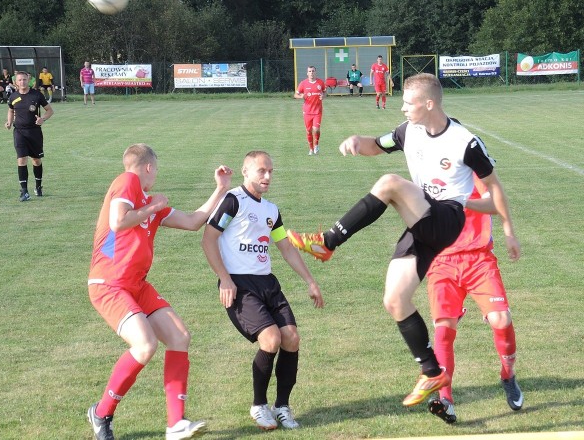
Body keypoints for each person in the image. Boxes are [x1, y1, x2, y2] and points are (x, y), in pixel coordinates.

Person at [287, 73, 520, 408]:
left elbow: (495, 188)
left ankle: (328, 242)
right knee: (395, 299)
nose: (403, 107)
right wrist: (357, 140)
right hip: (423, 223)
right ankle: (431, 370)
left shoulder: (465, 142)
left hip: (446, 219)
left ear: (429, 104)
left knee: (390, 183)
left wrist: (509, 230)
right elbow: (376, 145)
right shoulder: (407, 130)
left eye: (409, 102)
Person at [87, 143, 233, 440]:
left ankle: (176, 424)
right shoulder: (127, 181)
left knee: (179, 336)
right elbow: (118, 222)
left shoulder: (148, 201)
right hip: (109, 284)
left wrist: (220, 189)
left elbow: (193, 221)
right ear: (149, 167)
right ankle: (101, 413)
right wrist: (152, 207)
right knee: (145, 345)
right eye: (156, 170)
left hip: (136, 284)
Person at [201, 150, 324, 431]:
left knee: (291, 337)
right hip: (240, 286)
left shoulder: (271, 210)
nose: (267, 176)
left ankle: (282, 406)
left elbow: (285, 248)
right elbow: (209, 240)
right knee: (270, 339)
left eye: (270, 171)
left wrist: (310, 281)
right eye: (261, 171)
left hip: (267, 282)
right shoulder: (233, 200)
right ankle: (259, 406)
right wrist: (225, 279)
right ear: (246, 172)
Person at [426, 174, 522, 424]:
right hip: (441, 261)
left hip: (479, 258)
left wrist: (463, 201)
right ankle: (445, 400)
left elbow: (494, 199)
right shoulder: (425, 169)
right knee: (443, 329)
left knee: (501, 320)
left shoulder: (471, 167)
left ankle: (508, 375)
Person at [4, 71, 54, 201]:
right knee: (21, 160)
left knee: (36, 160)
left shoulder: (37, 95)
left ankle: (38, 186)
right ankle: (24, 191)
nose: (22, 82)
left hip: (34, 132)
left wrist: (42, 119)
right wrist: (9, 122)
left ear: (29, 81)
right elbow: (10, 109)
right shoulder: (13, 96)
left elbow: (50, 110)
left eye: (24, 79)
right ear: (16, 82)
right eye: (20, 80)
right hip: (19, 132)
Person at [294, 66, 326, 156]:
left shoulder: (320, 82)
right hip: (307, 112)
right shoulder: (303, 83)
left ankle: (316, 145)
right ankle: (311, 149)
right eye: (309, 71)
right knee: (308, 131)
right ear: (307, 73)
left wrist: (323, 96)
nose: (311, 73)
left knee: (316, 129)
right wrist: (301, 96)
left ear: (315, 72)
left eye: (313, 71)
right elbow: (295, 95)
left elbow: (325, 92)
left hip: (317, 111)